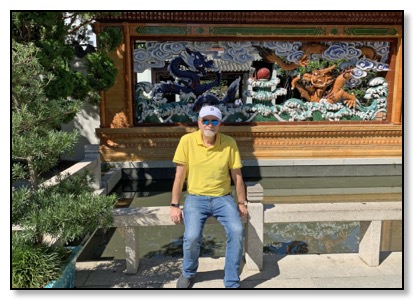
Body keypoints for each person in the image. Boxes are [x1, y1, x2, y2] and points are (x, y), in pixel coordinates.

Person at [170, 105, 248, 289]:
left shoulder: (229, 143)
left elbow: (237, 175)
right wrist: (174, 204)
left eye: (214, 121)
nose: (209, 124)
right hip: (196, 199)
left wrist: (241, 202)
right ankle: (188, 272)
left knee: (237, 231)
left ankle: (231, 281)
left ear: (220, 124)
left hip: (223, 198)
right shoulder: (186, 141)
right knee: (191, 236)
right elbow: (179, 176)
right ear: (199, 122)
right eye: (206, 120)